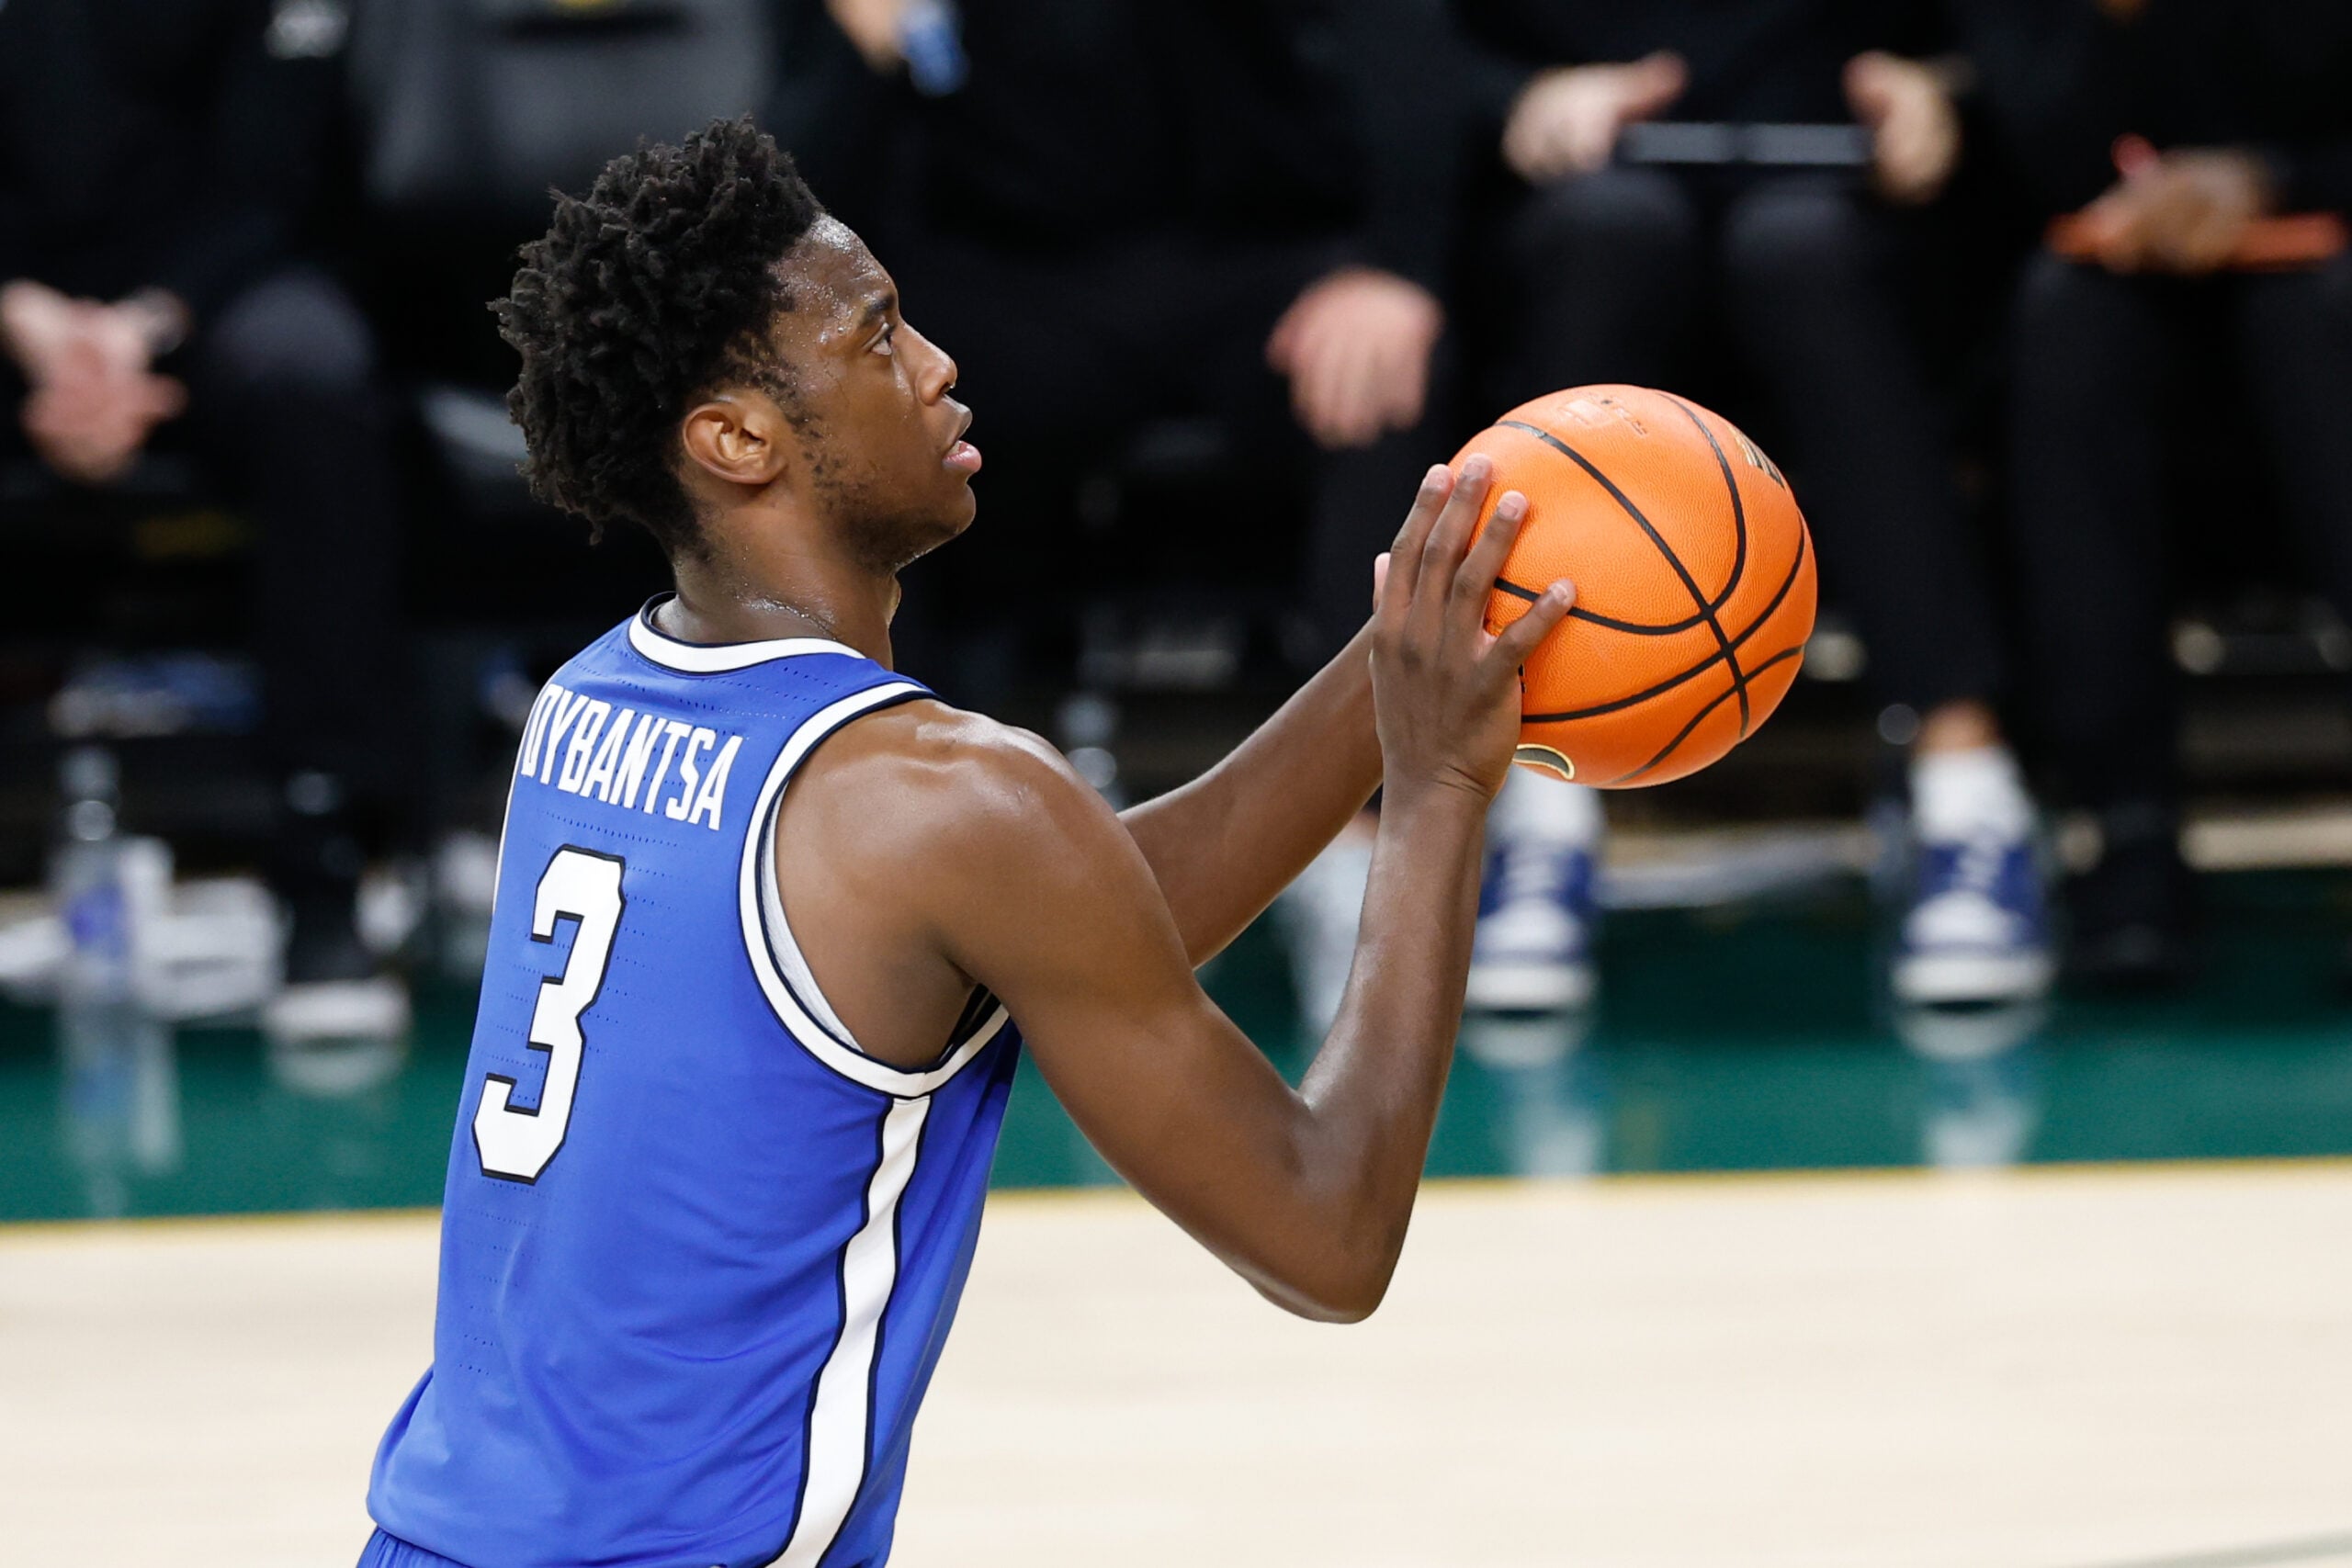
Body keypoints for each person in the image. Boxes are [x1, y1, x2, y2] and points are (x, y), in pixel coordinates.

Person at [357, 118, 1575, 1568]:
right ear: (736, 438)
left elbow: (1068, 919)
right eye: (875, 337)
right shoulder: (945, 803)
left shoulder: (586, 708)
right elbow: (1330, 1234)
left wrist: (1394, 668)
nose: (935, 363)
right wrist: (1435, 793)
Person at [1446, 0, 2050, 1009]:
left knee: (1801, 254)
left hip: (1840, 210)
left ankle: (1965, 780)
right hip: (1590, 207)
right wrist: (1516, 97)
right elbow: (1397, 47)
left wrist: (1936, 87)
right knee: (1607, 233)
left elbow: (2021, 44)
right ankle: (1542, 803)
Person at [813, 0, 1461, 691]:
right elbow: (809, 179)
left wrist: (1397, 263)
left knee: (1383, 364)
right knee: (849, 395)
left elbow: (1402, 48)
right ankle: (887, 761)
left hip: (1262, 251)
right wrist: (871, 56)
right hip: (1010, 269)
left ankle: (1381, 770)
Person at [0, 0, 408, 1034]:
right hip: (19, 304)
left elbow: (283, 166)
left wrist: (135, 333)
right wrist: (28, 320)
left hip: (205, 294)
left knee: (313, 377)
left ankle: (322, 858)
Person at [1960, 0, 2352, 987]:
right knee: (2067, 322)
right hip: (2118, 297)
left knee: (2317, 319)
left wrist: (2273, 178)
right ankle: (2124, 833)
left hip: (2321, 269)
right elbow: (2032, 152)